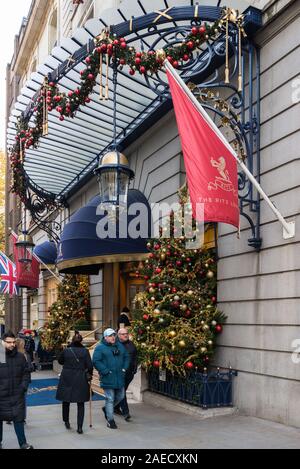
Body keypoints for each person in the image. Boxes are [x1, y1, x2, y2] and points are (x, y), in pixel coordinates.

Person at [0, 331, 33, 449]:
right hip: (1, 396)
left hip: (17, 395)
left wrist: (23, 387)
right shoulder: (0, 355)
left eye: (13, 342)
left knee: (18, 419)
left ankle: (23, 443)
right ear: (2, 342)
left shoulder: (20, 356)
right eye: (9, 342)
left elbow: (26, 373)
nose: (12, 345)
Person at [56, 334, 93, 434]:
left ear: (72, 340)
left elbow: (60, 361)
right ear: (81, 341)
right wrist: (90, 376)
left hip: (67, 376)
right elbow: (89, 365)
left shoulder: (66, 350)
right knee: (80, 402)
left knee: (66, 400)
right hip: (80, 377)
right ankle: (79, 427)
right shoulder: (85, 351)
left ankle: (66, 421)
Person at [93, 328, 129, 430]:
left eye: (114, 335)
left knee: (121, 396)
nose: (113, 337)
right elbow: (96, 361)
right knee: (110, 398)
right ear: (105, 337)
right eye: (110, 335)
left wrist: (124, 369)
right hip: (108, 377)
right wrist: (105, 371)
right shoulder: (100, 348)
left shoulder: (119, 345)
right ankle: (110, 420)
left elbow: (126, 357)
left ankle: (107, 409)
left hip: (120, 377)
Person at [114, 328, 138, 421]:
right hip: (120, 373)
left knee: (122, 391)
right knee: (122, 392)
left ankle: (115, 407)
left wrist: (135, 368)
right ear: (119, 335)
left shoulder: (131, 344)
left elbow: (135, 357)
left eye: (127, 333)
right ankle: (126, 413)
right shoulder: (115, 345)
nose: (126, 335)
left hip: (130, 373)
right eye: (123, 334)